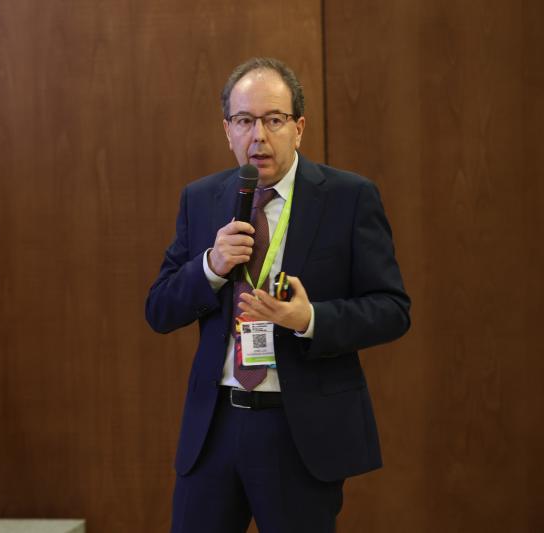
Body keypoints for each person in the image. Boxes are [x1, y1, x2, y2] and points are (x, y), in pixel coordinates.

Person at [145, 57, 411, 533]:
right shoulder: (201, 199)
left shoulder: (349, 198)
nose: (258, 137)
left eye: (274, 120)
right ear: (227, 130)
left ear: (299, 127)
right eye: (245, 121)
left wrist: (309, 319)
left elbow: (392, 310)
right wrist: (211, 266)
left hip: (299, 430)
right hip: (215, 430)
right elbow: (159, 309)